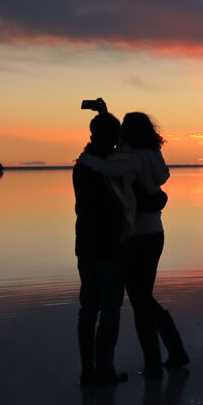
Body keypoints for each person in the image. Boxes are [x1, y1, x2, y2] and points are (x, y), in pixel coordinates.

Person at [78, 111, 189, 377]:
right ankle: (173, 351)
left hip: (136, 236)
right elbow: (160, 181)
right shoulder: (153, 155)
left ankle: (155, 363)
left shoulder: (130, 158)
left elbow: (111, 167)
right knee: (143, 297)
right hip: (155, 233)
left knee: (140, 300)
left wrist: (87, 158)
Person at [74, 111, 129, 385]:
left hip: (85, 242)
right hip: (107, 244)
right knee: (109, 308)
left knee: (89, 308)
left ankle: (88, 369)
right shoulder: (103, 165)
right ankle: (103, 369)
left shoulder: (83, 163)